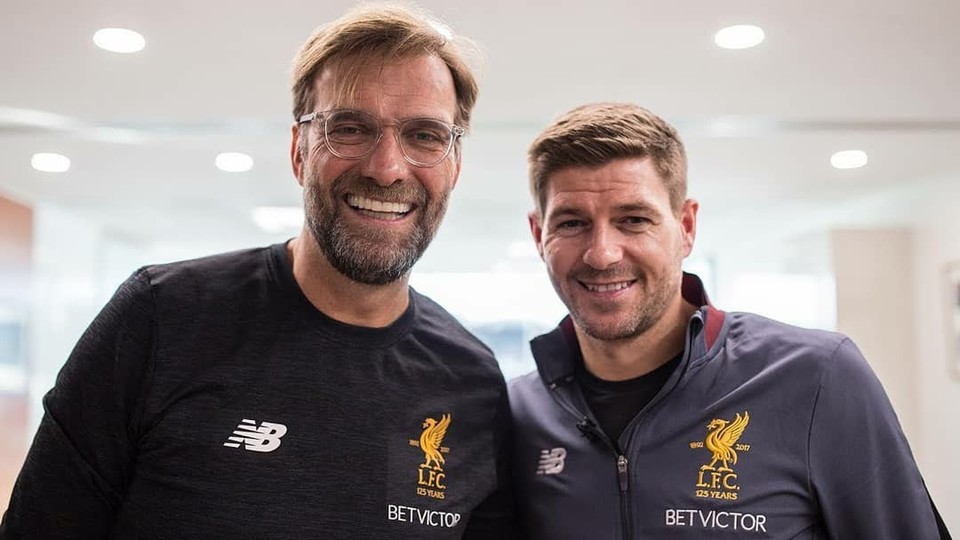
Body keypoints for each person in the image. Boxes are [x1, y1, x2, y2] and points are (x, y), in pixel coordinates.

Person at [0, 5, 516, 538]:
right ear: (299, 151)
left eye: (425, 136)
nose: (386, 168)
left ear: (454, 165)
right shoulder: (162, 317)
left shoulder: (472, 380)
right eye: (350, 128)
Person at [509, 102, 951, 539]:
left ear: (685, 226)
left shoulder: (815, 377)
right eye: (571, 223)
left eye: (634, 219)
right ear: (538, 235)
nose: (602, 253)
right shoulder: (519, 413)